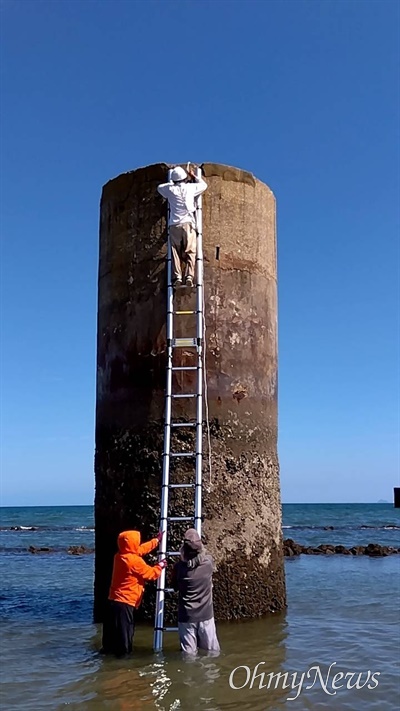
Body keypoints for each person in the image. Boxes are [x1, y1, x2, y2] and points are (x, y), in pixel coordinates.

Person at [101, 529, 167, 657]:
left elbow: (140, 550)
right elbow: (151, 574)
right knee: (125, 638)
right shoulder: (134, 562)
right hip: (125, 603)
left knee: (110, 637)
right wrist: (160, 566)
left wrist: (156, 541)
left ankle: (107, 661)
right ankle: (124, 664)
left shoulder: (119, 556)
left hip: (113, 601)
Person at [171, 528, 220, 655]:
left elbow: (174, 587)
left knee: (189, 655)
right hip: (206, 616)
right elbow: (203, 557)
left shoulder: (179, 569)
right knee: (211, 652)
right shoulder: (208, 563)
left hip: (186, 617)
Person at [157, 165, 207, 288]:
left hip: (174, 225)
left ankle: (177, 276)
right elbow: (204, 185)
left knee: (174, 252)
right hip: (188, 224)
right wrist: (193, 176)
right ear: (185, 178)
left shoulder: (170, 190)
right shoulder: (191, 188)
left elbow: (159, 187)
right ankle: (189, 276)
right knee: (191, 251)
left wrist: (171, 183)